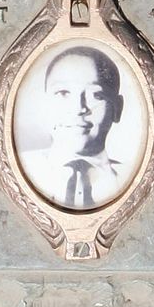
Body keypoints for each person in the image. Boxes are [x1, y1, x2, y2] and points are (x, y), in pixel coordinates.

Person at [19, 44, 132, 211]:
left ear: (117, 109)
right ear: (44, 104)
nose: (78, 108)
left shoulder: (132, 179)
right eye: (63, 93)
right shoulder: (20, 169)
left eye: (96, 95)